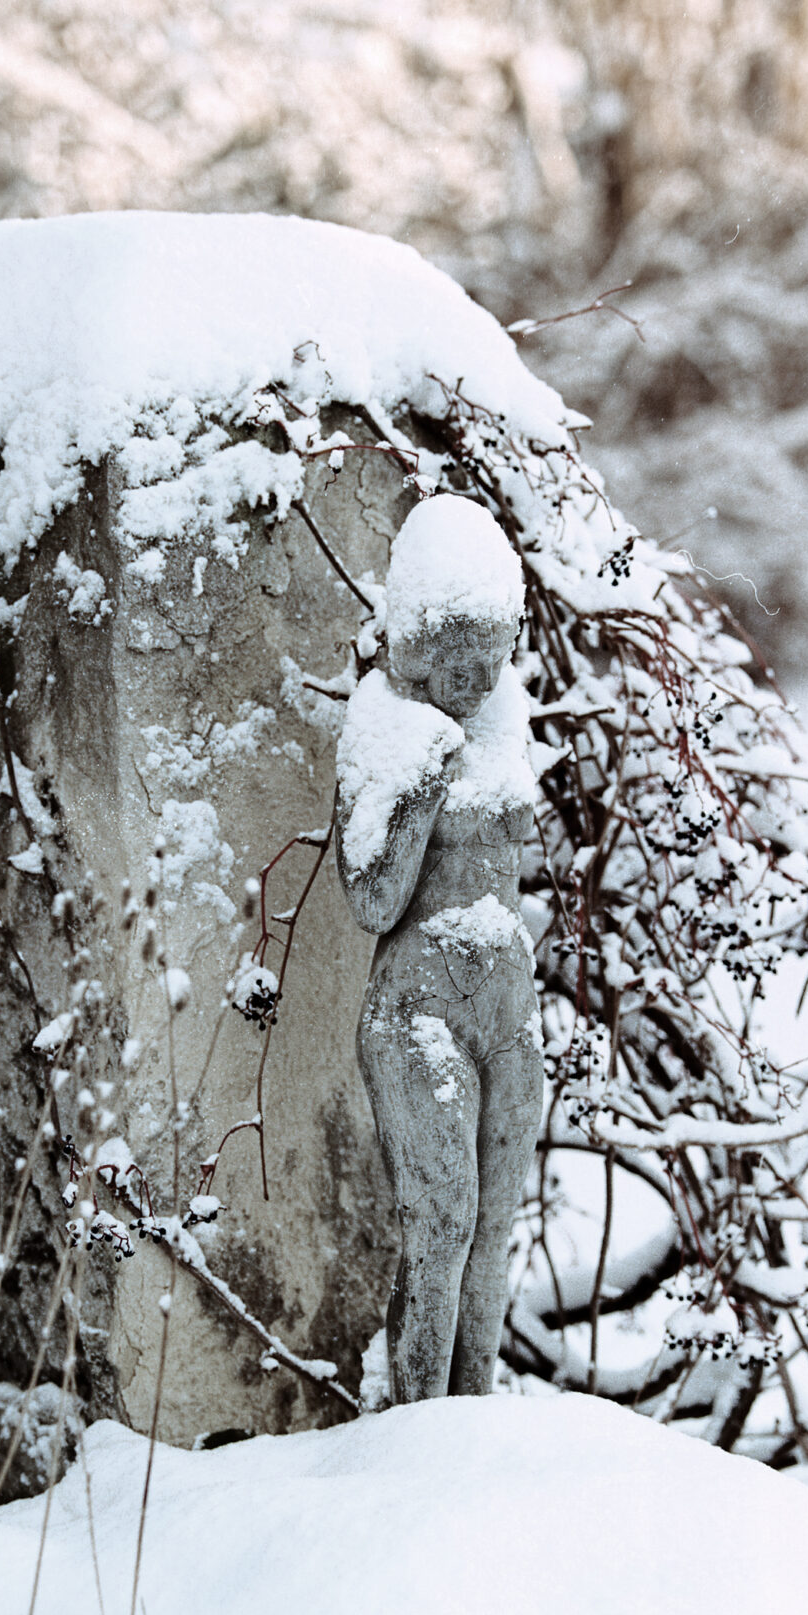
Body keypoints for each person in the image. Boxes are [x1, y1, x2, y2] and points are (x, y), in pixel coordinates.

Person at [335, 495, 544, 1401]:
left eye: (488, 659)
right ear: (417, 644)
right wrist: (420, 785)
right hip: (419, 1007)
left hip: (508, 1005)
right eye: (456, 660)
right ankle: (419, 1425)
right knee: (444, 1219)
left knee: (495, 1227)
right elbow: (371, 897)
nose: (474, 679)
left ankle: (474, 1415)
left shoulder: (506, 712)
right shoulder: (386, 724)